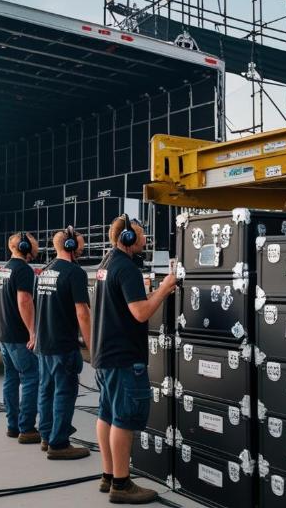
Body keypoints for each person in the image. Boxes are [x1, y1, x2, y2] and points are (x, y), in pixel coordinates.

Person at [91, 215, 176, 503]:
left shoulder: (107, 264)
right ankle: (122, 484)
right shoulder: (126, 268)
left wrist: (152, 292)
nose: (145, 240)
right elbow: (140, 312)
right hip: (124, 358)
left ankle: (108, 475)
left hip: (104, 355)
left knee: (106, 414)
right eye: (140, 235)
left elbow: (126, 301)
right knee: (124, 420)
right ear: (127, 239)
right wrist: (164, 289)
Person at [34, 227, 91, 460]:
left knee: (46, 391)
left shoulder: (46, 270)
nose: (83, 247)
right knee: (64, 393)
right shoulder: (74, 272)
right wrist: (92, 345)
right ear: (70, 246)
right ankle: (59, 444)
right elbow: (83, 313)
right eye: (81, 243)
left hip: (44, 343)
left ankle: (47, 437)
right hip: (63, 344)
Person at [0, 232, 41, 445]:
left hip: (3, 333)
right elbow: (24, 301)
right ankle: (27, 428)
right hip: (18, 335)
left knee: (11, 379)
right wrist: (32, 331)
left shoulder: (3, 270)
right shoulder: (23, 270)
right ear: (24, 247)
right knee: (31, 377)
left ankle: (13, 426)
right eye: (33, 244)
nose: (36, 247)